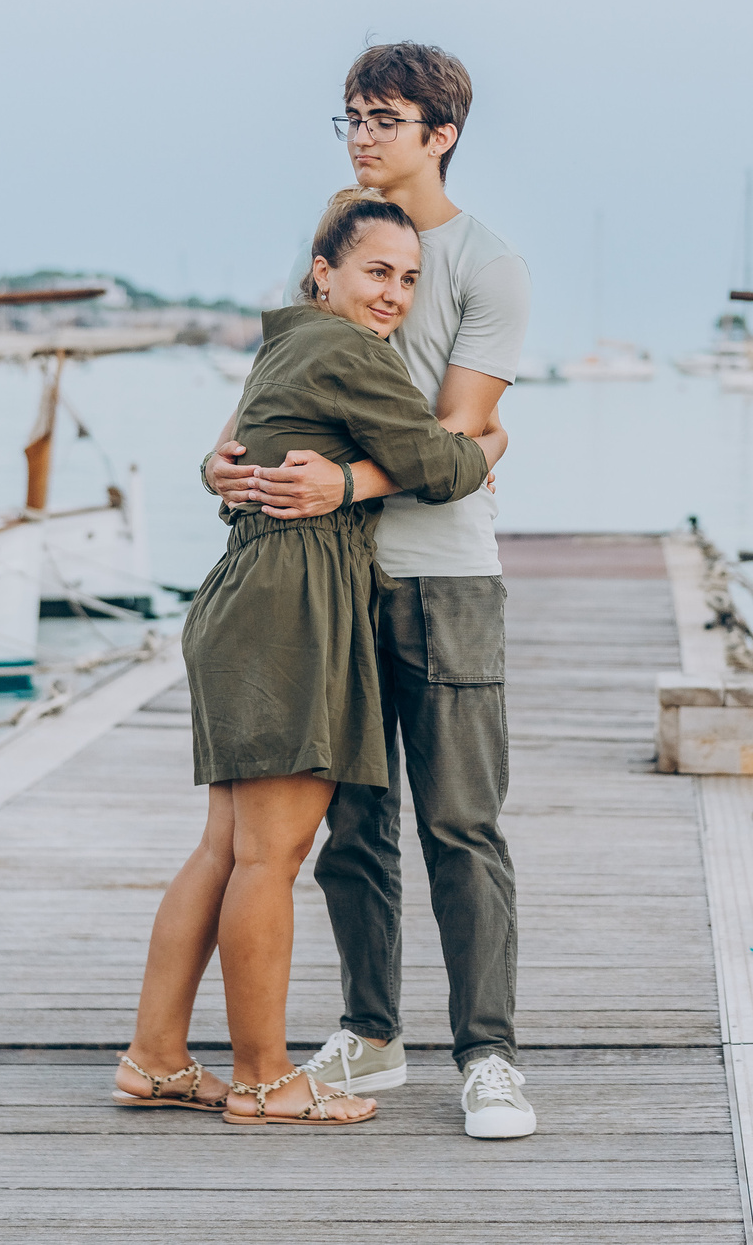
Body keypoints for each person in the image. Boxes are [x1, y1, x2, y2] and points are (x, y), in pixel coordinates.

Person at [205, 42, 537, 1139]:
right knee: (355, 824)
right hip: (329, 582)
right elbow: (272, 408)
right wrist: (220, 467)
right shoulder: (336, 248)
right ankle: (374, 1031)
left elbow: (458, 432)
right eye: (351, 114)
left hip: (443, 575)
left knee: (461, 822)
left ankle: (488, 1055)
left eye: (386, 116)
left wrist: (350, 476)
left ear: (440, 134)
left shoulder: (485, 264)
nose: (363, 133)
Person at [115, 188, 504, 1124]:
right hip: (287, 611)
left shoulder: (287, 342)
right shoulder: (345, 350)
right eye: (377, 271)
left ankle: (156, 1057)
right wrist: (490, 439)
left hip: (247, 597)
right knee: (270, 858)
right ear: (323, 269)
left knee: (228, 849)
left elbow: (235, 461)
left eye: (410, 279)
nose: (395, 296)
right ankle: (264, 1077)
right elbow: (440, 464)